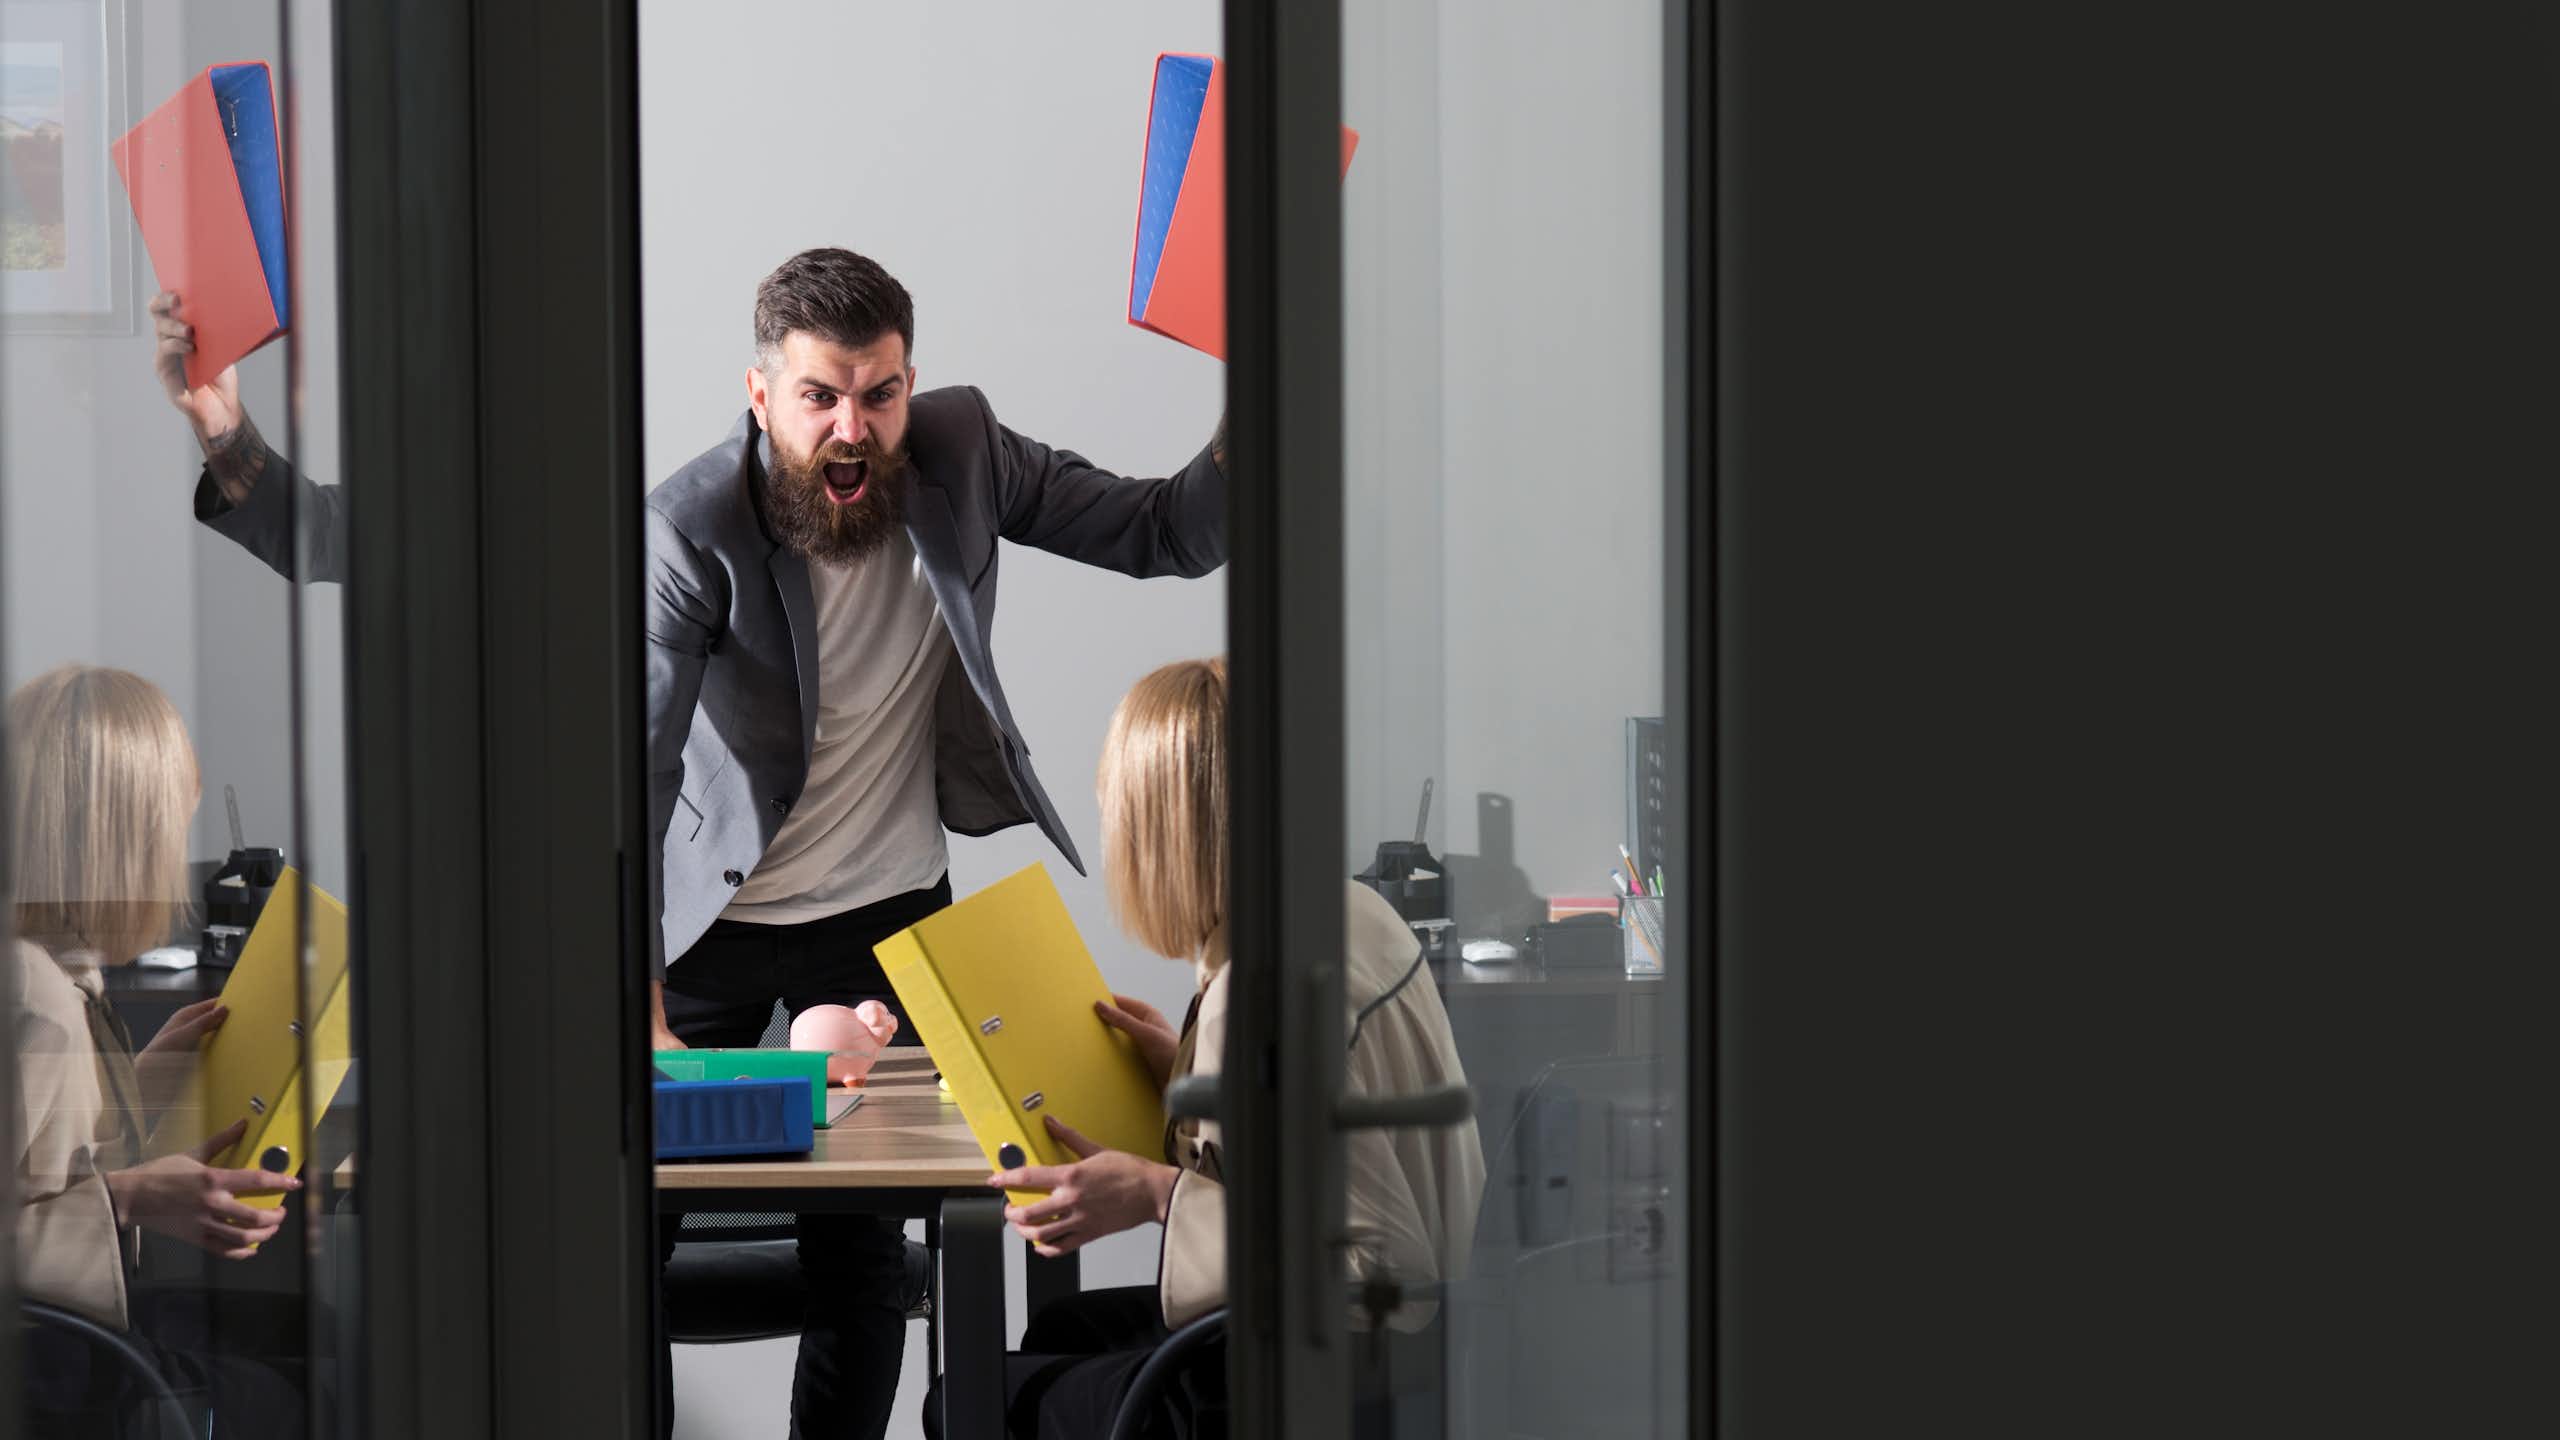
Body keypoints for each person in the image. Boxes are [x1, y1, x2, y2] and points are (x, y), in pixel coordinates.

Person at [157, 247, 1229, 1437]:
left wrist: (1259, 387)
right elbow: (636, 775)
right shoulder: (691, 530)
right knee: (621, 1238)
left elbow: (1167, 532)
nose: (851, 430)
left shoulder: (967, 451)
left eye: (877, 395)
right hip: (705, 920)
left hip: (885, 912)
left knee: (864, 1255)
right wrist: (642, 1005)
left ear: (909, 386)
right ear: (762, 392)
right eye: (819, 395)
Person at [930, 657, 1485, 1440]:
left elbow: (1376, 1267)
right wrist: (1186, 1076)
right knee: (1067, 1336)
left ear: (1164, 832)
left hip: (1316, 1375)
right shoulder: (1354, 910)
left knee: (961, 1396)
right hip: (1417, 1353)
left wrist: (1158, 1195)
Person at [9, 665, 309, 1435]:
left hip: (60, 1335)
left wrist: (143, 1076)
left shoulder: (49, 965)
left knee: (303, 1335)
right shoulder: (33, 996)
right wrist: (131, 1198)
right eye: (172, 830)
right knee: (302, 1382)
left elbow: (39, 1156)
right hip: (49, 1363)